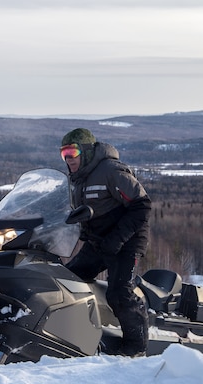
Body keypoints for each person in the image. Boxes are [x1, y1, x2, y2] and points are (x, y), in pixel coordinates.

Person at [60, 128, 151, 357]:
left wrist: (118, 238)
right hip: (100, 240)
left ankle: (136, 347)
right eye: (64, 154)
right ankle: (71, 331)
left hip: (128, 239)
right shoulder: (77, 178)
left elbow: (142, 206)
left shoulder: (111, 171)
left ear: (88, 152)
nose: (68, 158)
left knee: (119, 292)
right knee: (67, 279)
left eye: (72, 152)